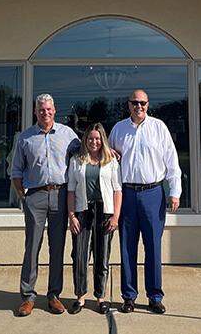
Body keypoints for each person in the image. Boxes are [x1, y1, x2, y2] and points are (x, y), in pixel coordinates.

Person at [107, 89, 181, 314]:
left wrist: (174, 192)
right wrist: (108, 151)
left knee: (153, 247)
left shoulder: (159, 128)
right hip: (127, 194)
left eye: (143, 103)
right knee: (127, 247)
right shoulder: (119, 129)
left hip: (153, 194)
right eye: (135, 103)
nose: (139, 106)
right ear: (128, 105)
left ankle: (154, 296)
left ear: (148, 105)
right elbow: (107, 160)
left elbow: (172, 161)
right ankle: (128, 296)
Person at [8, 93, 81, 316]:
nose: (45, 113)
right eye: (41, 110)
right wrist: (23, 196)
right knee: (32, 247)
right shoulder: (25, 137)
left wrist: (109, 152)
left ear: (54, 110)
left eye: (49, 109)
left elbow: (86, 154)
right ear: (35, 112)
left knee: (57, 247)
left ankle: (54, 295)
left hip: (60, 195)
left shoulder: (68, 134)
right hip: (35, 197)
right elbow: (16, 170)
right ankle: (28, 296)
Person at [66, 123, 123, 315]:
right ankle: (80, 297)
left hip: (104, 211)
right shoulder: (76, 160)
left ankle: (101, 297)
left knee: (102, 256)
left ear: (102, 140)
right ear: (85, 140)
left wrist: (115, 216)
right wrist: (72, 216)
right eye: (90, 138)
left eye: (97, 138)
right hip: (83, 211)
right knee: (80, 256)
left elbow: (117, 190)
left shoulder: (111, 161)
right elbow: (71, 191)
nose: (94, 141)